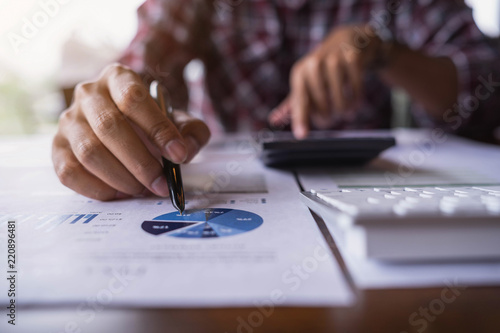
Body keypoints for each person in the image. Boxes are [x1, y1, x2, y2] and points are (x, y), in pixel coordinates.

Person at [52, 0, 500, 201]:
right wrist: (118, 100)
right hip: (231, 180)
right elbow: (147, 56)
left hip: (371, 194)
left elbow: (488, 89)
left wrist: (381, 49)